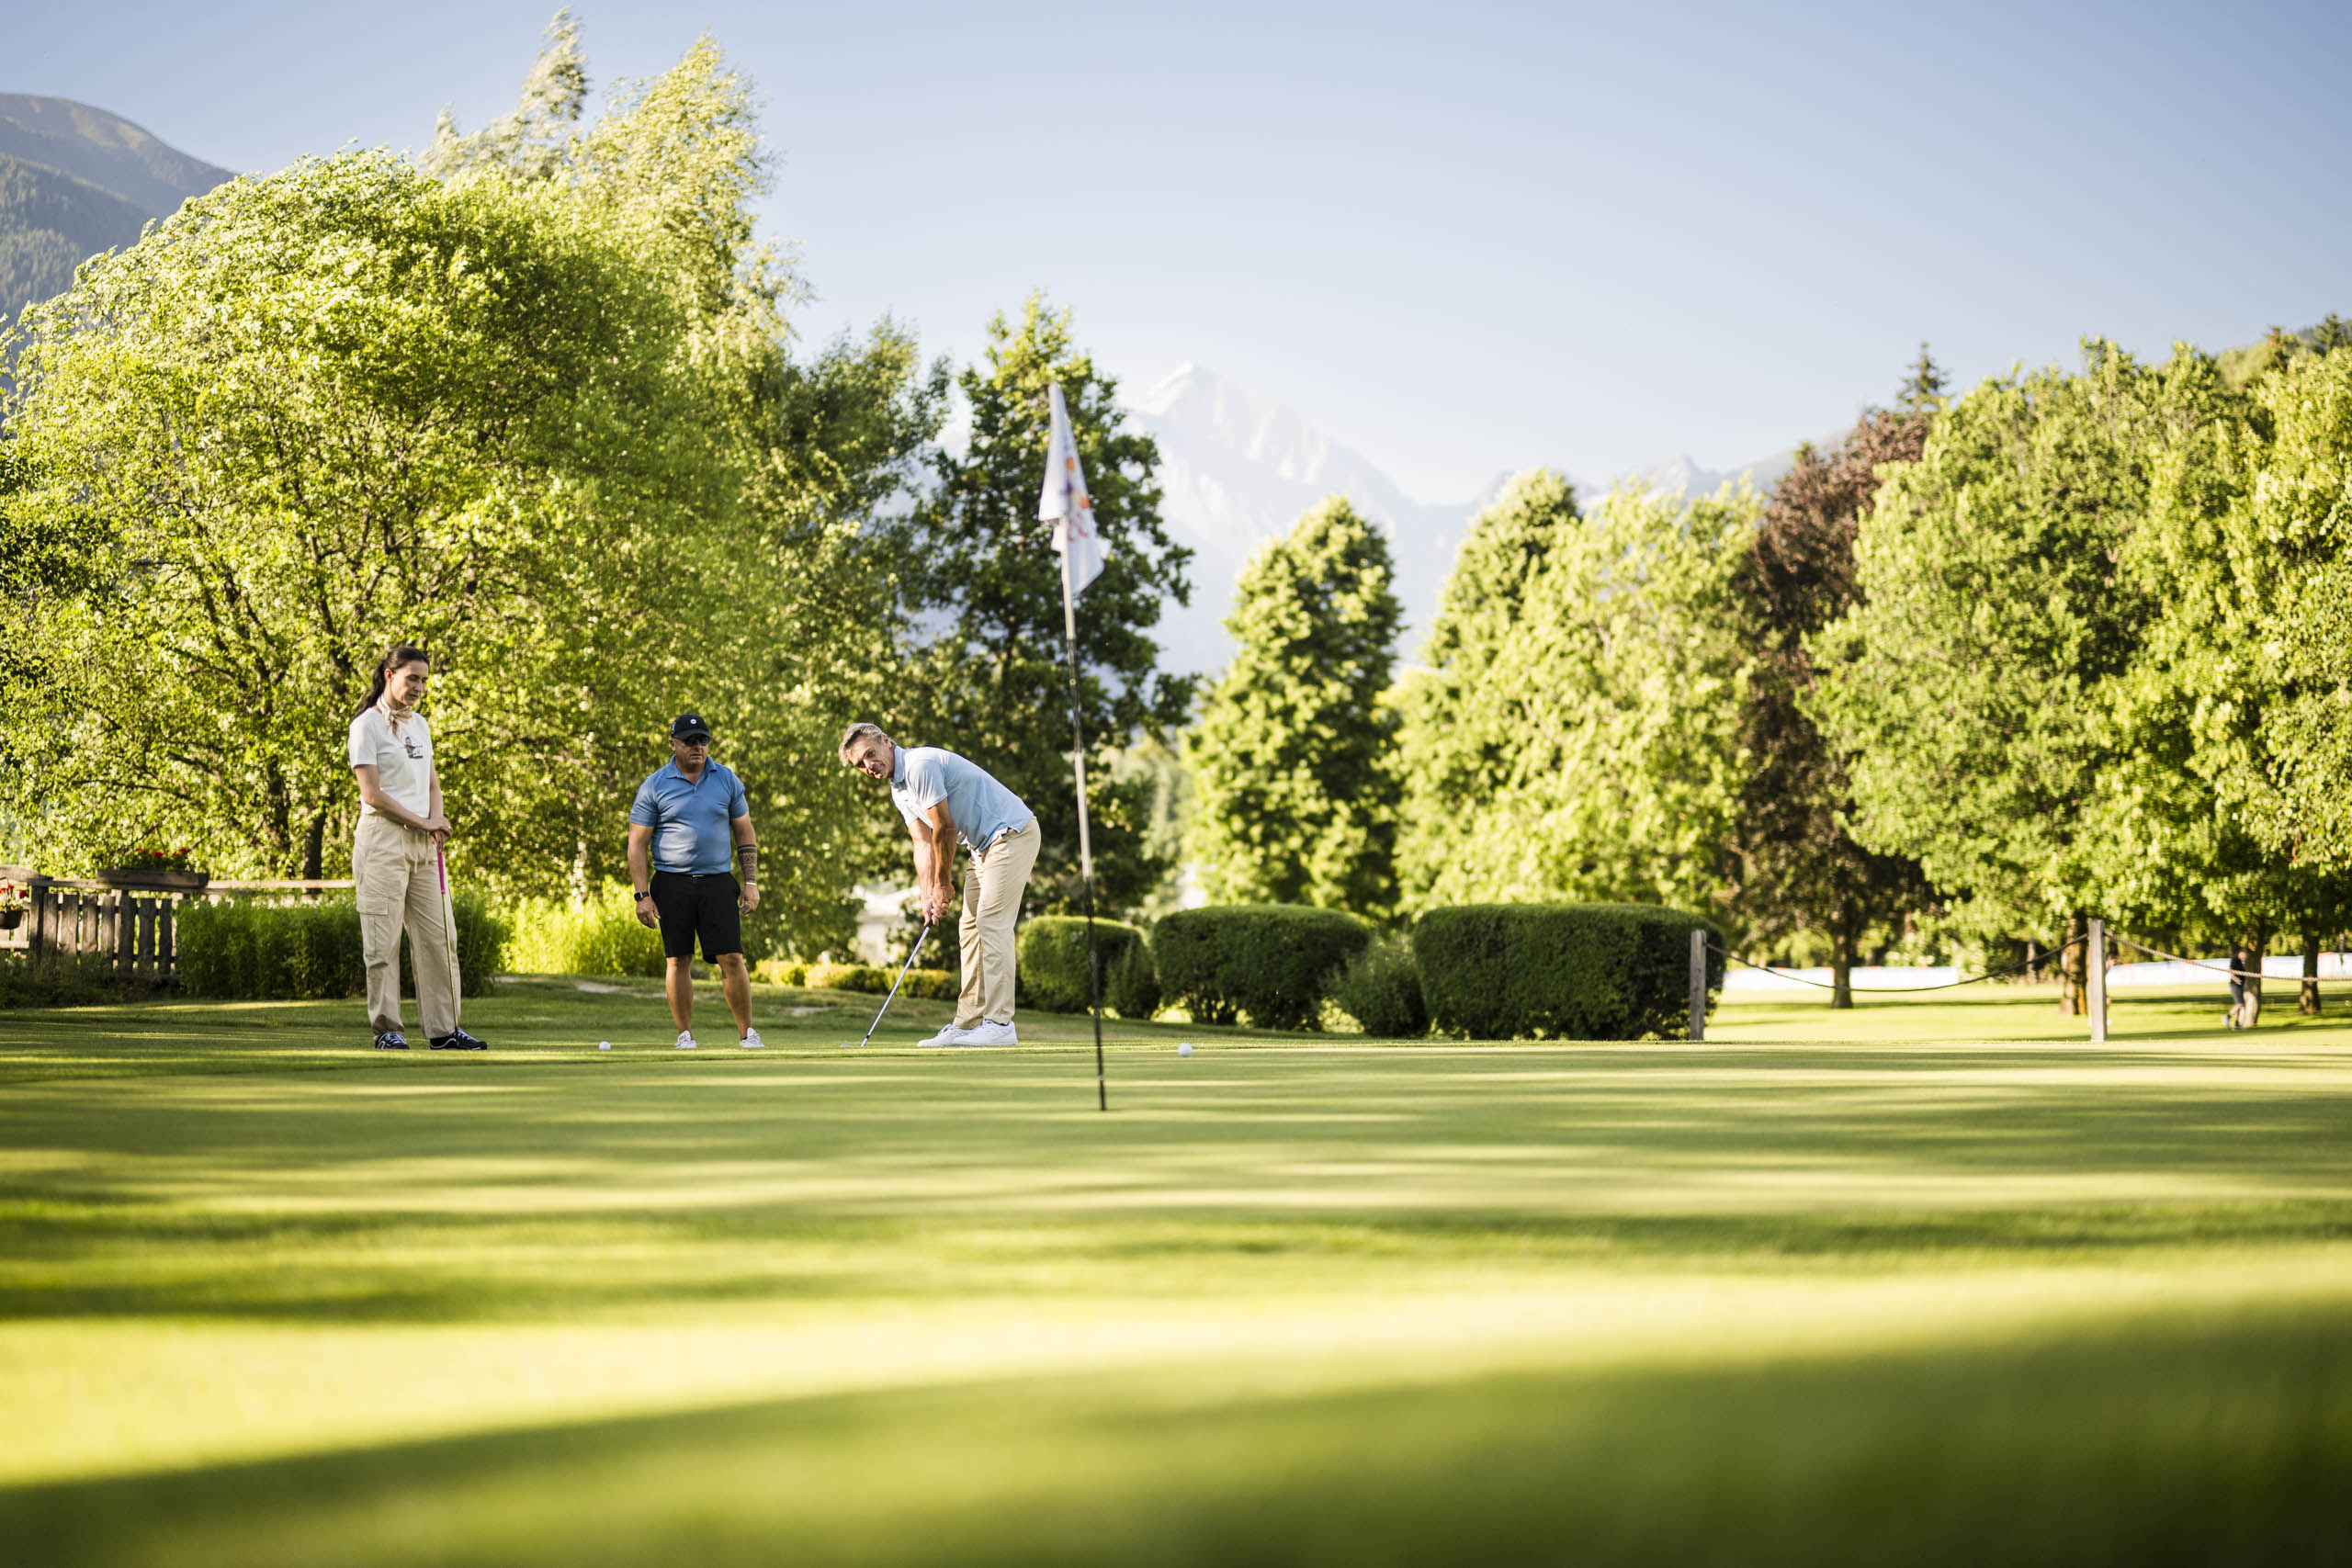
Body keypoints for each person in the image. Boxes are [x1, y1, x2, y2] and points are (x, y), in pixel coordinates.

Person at [839, 722, 1040, 1047]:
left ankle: (1000, 1024)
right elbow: (921, 845)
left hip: (1012, 833)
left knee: (991, 921)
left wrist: (943, 883)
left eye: (870, 755)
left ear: (886, 742)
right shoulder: (899, 790)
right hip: (982, 847)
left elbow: (945, 828)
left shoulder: (920, 766)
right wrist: (927, 895)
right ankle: (967, 1023)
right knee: (970, 929)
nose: (868, 767)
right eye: (860, 764)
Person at [346, 643, 486, 1052]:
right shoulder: (366, 726)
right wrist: (425, 821)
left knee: (441, 938)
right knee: (382, 941)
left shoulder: (420, 725)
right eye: (412, 678)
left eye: (424, 680)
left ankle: (444, 1030)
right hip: (382, 842)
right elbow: (372, 795)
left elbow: (431, 786)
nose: (419, 687)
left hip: (425, 845)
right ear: (389, 676)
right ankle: (387, 1028)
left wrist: (436, 821)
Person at [628, 713, 764, 1051]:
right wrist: (642, 896)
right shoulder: (655, 785)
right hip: (672, 882)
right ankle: (685, 1035)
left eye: (703, 740)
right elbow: (636, 844)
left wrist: (751, 882)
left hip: (717, 881)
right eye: (690, 741)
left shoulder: (727, 779)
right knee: (678, 959)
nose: (698, 747)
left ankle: (747, 1034)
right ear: (673, 744)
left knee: (731, 957)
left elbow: (745, 831)